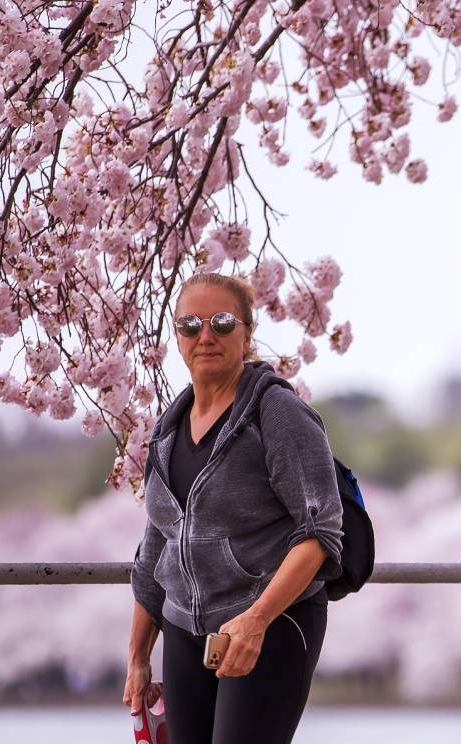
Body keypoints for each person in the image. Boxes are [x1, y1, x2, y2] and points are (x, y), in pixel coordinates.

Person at [124, 272, 344, 744]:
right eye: (190, 325)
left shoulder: (279, 412)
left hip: (271, 623)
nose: (205, 336)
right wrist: (139, 655)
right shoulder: (167, 427)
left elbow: (320, 532)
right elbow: (154, 550)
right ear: (177, 337)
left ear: (246, 332)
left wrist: (256, 620)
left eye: (222, 322)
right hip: (185, 629)